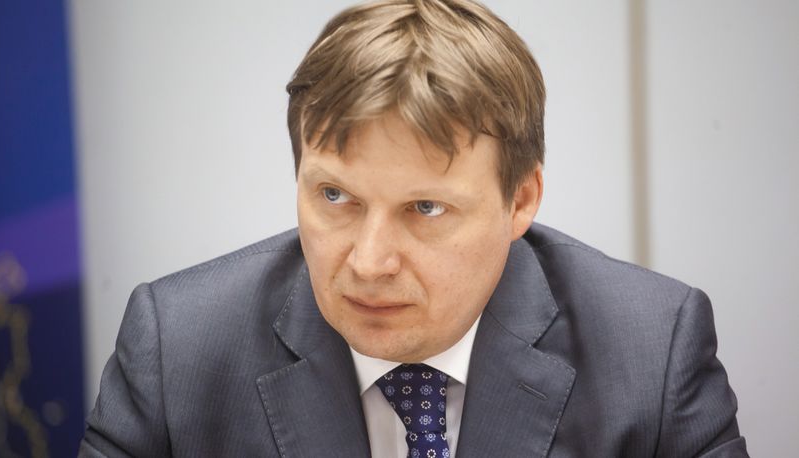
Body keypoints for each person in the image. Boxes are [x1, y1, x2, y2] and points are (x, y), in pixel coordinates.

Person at [79, 0, 747, 456]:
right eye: (335, 196)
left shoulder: (652, 352)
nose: (369, 263)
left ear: (521, 199)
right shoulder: (177, 350)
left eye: (425, 208)